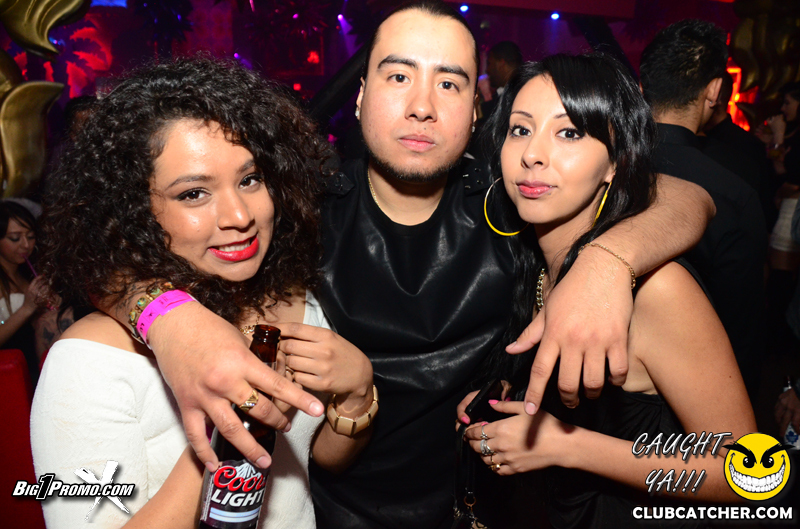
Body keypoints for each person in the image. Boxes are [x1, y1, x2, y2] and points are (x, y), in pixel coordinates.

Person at [96, 3, 714, 527]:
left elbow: (687, 197)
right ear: (361, 95)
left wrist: (608, 260)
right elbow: (107, 252)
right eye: (398, 76)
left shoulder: (515, 204)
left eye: (449, 83)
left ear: (477, 110)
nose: (422, 106)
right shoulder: (300, 211)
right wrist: (169, 318)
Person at [31, 57, 374, 528]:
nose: (239, 216)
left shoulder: (297, 305)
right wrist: (223, 437)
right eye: (194, 193)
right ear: (135, 209)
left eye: (250, 179)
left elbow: (318, 462)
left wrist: (357, 396)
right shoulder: (89, 360)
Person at [460, 53, 756, 528]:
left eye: (569, 133)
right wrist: (505, 400)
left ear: (614, 163)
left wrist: (568, 445)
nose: (533, 154)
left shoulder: (658, 290)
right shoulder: (535, 266)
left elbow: (748, 473)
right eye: (520, 129)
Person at [639, 19, 767, 398]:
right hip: (694, 391)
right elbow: (741, 326)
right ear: (713, 91)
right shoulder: (734, 192)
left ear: (642, 88)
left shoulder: (599, 167)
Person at [0, 201, 49, 383]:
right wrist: (27, 308)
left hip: (32, 368)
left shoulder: (29, 273)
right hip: (9, 377)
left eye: (31, 236)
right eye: (15, 238)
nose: (26, 245)